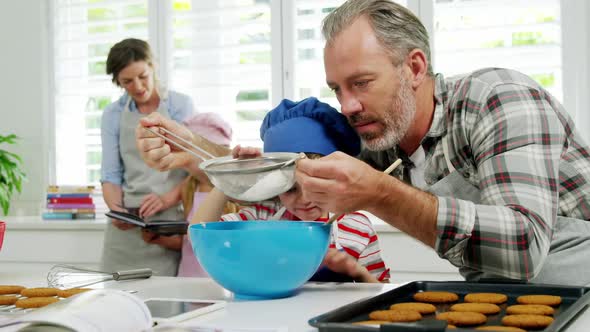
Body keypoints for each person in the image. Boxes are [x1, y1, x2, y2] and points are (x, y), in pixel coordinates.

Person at [293, 0, 590, 285]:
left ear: (415, 68)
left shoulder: (498, 98)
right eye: (337, 89)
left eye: (361, 83)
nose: (347, 106)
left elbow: (524, 246)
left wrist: (381, 194)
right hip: (497, 301)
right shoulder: (382, 136)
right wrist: (267, 169)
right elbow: (311, 171)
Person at [191, 97, 390, 283]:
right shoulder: (262, 218)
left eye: (316, 184)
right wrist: (233, 178)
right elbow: (200, 233)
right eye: (290, 189)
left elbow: (382, 289)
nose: (305, 199)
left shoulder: (357, 227)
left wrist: (358, 273)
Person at [100, 38, 194, 276]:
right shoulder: (112, 114)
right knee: (115, 305)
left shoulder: (180, 106)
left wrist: (166, 200)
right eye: (127, 81)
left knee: (168, 305)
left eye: (143, 76)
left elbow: (195, 167)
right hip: (127, 227)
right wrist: (116, 209)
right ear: (117, 82)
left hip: (167, 223)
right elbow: (111, 174)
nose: (138, 86)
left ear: (153, 66)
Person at [141, 112, 239, 277]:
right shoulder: (188, 186)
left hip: (221, 276)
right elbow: (190, 241)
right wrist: (162, 239)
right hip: (189, 275)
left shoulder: (233, 192)